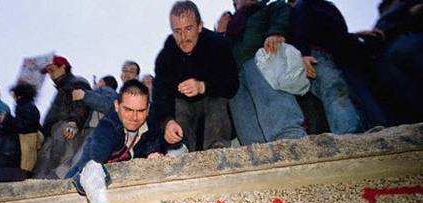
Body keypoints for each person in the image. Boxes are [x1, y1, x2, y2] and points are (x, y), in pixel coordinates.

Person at [216, 0, 307, 145]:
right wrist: (220, 33)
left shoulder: (267, 8)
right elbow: (218, 53)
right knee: (245, 118)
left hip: (260, 61)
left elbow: (282, 11)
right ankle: (257, 153)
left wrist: (276, 32)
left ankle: (291, 140)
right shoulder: (232, 24)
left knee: (272, 101)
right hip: (235, 76)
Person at [153, 1, 238, 153]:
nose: (183, 37)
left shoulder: (218, 44)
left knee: (216, 98)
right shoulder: (166, 56)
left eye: (189, 28)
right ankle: (180, 149)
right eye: (177, 31)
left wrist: (203, 87)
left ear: (199, 26)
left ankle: (216, 149)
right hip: (185, 113)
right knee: (180, 103)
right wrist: (167, 121)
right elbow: (160, 92)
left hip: (217, 112)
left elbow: (232, 84)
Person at [290, 0, 375, 134]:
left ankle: (359, 133)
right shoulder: (301, 6)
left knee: (349, 96)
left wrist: (354, 36)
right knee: (334, 89)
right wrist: (304, 53)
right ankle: (349, 137)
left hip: (338, 57)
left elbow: (330, 32)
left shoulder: (322, 5)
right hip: (316, 55)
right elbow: (299, 30)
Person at [66, 79, 162, 191]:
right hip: (78, 180)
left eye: (140, 111)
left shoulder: (153, 123)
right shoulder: (108, 127)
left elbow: (162, 142)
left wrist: (153, 153)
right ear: (117, 106)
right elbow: (92, 164)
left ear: (148, 109)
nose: (134, 117)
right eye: (128, 110)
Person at [32, 55, 91, 179]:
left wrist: (74, 122)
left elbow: (81, 103)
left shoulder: (77, 82)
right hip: (52, 133)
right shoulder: (61, 88)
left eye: (52, 70)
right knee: (43, 167)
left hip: (66, 129)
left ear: (63, 67)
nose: (50, 74)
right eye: (48, 72)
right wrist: (43, 132)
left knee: (61, 164)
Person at [0, 83, 41, 184]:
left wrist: (7, 120)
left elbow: (24, 127)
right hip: (8, 156)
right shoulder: (25, 108)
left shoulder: (27, 107)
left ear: (18, 95)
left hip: (11, 158)